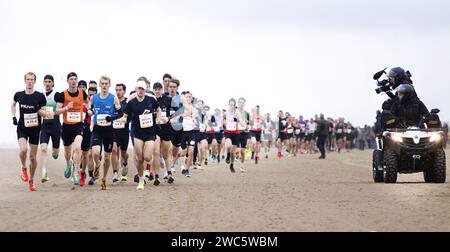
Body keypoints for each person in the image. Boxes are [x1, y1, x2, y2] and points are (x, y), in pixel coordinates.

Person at [120, 80, 161, 190]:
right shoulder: (132, 102)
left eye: (143, 89)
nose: (141, 91)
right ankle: (141, 180)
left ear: (145, 90)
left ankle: (147, 170)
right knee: (139, 158)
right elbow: (125, 115)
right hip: (137, 133)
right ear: (136, 89)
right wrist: (123, 120)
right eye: (139, 88)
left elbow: (158, 109)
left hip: (150, 132)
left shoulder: (151, 99)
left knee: (147, 157)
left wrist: (158, 118)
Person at [11, 72, 48, 191]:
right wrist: (14, 117)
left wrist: (37, 109)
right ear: (25, 80)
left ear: (35, 81)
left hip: (35, 130)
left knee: (32, 157)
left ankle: (31, 180)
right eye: (28, 79)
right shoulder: (19, 95)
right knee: (23, 149)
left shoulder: (40, 97)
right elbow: (13, 104)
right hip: (22, 128)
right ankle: (23, 168)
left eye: (32, 79)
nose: (30, 81)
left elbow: (44, 113)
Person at [55, 72, 90, 186]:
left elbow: (87, 101)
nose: (73, 81)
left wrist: (88, 109)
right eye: (71, 79)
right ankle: (68, 164)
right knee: (67, 152)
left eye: (75, 79)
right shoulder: (62, 95)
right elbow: (57, 111)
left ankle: (76, 172)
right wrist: (66, 107)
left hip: (78, 125)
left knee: (78, 148)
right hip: (66, 126)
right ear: (68, 81)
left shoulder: (82, 93)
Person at [90, 76, 123, 190]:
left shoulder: (114, 98)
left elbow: (120, 113)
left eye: (106, 83)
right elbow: (90, 109)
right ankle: (97, 166)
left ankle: (104, 179)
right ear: (100, 85)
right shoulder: (93, 98)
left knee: (108, 157)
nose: (104, 85)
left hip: (109, 130)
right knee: (95, 153)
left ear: (109, 85)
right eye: (102, 83)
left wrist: (112, 118)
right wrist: (89, 111)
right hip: (97, 129)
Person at [39, 74, 61, 183]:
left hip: (56, 127)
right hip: (45, 127)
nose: (47, 83)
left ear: (52, 83)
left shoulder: (56, 95)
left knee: (55, 153)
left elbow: (59, 109)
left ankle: (56, 152)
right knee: (43, 149)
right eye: (46, 81)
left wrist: (54, 111)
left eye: (49, 82)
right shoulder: (40, 95)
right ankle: (44, 173)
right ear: (43, 83)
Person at [153, 82, 174, 184]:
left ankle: (169, 173)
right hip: (154, 130)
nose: (157, 91)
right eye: (155, 89)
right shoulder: (150, 100)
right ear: (153, 90)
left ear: (162, 90)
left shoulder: (168, 99)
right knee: (156, 152)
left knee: (166, 153)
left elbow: (178, 112)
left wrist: (168, 118)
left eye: (159, 89)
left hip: (166, 129)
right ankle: (156, 176)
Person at [111, 83, 130, 183]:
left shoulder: (127, 103)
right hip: (113, 130)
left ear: (124, 91)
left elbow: (131, 115)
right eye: (117, 90)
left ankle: (125, 163)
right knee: (114, 150)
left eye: (120, 90)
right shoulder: (112, 102)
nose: (118, 92)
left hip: (124, 131)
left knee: (123, 153)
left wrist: (126, 119)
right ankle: (115, 173)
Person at [224, 98, 240, 173]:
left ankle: (232, 165)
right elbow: (223, 121)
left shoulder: (237, 112)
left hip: (236, 133)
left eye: (233, 104)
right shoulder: (226, 113)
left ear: (235, 105)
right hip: (228, 132)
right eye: (230, 104)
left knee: (233, 152)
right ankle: (227, 155)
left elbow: (241, 120)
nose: (231, 106)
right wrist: (224, 123)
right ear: (229, 104)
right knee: (228, 145)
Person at [236, 98, 250, 172]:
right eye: (240, 102)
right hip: (237, 132)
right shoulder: (235, 112)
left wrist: (247, 125)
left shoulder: (247, 113)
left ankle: (242, 165)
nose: (241, 104)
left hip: (244, 132)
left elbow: (248, 123)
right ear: (238, 103)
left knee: (243, 151)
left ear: (244, 104)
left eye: (243, 102)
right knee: (238, 150)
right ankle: (234, 157)